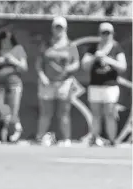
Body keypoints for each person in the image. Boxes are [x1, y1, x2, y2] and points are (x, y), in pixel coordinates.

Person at [35, 17, 80, 147]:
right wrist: (42, 76)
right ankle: (40, 138)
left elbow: (76, 63)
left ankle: (66, 140)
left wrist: (68, 69)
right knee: (45, 112)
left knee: (64, 112)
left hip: (64, 83)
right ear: (52, 29)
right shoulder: (46, 45)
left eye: (61, 27)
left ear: (65, 29)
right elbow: (39, 64)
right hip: (47, 83)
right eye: (56, 27)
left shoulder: (71, 45)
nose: (58, 30)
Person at [81, 22, 127, 147]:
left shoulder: (116, 48)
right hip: (95, 85)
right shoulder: (94, 47)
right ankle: (94, 138)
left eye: (108, 33)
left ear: (112, 34)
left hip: (110, 86)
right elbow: (84, 65)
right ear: (99, 33)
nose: (106, 35)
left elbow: (123, 66)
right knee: (95, 114)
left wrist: (108, 60)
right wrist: (94, 58)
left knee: (110, 114)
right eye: (103, 32)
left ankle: (112, 140)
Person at [0, 31, 28, 144]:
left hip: (14, 84)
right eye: (4, 40)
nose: (6, 43)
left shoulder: (18, 49)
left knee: (13, 110)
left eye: (8, 40)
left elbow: (24, 67)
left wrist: (13, 60)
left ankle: (13, 134)